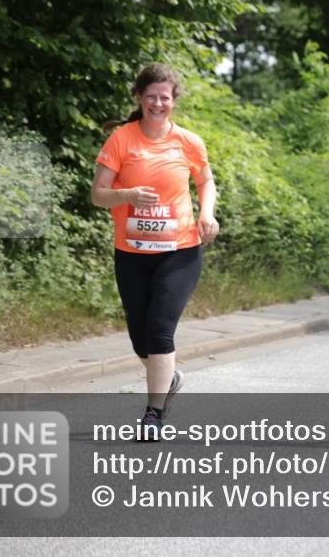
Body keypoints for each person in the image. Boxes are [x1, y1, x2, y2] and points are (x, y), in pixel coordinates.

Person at [92, 64, 219, 438]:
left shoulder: (188, 141)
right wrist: (127, 195)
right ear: (139, 98)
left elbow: (206, 180)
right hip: (131, 252)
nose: (158, 103)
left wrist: (207, 213)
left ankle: (153, 414)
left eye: (165, 97)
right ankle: (170, 378)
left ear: (174, 100)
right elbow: (98, 195)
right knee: (140, 336)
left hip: (179, 251)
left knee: (161, 328)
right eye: (151, 97)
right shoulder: (121, 139)